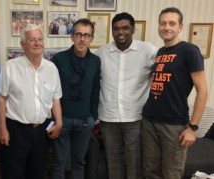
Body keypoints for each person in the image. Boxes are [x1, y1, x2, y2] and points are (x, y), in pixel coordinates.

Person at [142, 7, 208, 178]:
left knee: (171, 173)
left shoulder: (189, 50)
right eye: (163, 23)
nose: (167, 27)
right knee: (150, 171)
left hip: (173, 125)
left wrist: (192, 128)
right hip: (149, 120)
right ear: (158, 27)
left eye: (172, 23)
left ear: (180, 27)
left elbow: (203, 91)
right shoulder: (160, 52)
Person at [95, 12, 157, 179]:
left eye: (125, 28)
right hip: (109, 118)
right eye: (116, 29)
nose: (120, 32)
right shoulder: (102, 52)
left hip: (135, 117)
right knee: (113, 163)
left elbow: (164, 74)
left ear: (133, 29)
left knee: (134, 163)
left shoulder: (148, 50)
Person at [0, 24, 62, 179]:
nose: (37, 43)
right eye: (32, 40)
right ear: (22, 44)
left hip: (42, 132)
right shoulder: (10, 66)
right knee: (13, 173)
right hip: (16, 131)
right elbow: (1, 98)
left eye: (40, 39)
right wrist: (2, 128)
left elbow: (55, 98)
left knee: (37, 173)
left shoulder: (51, 68)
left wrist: (59, 122)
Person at [51, 18, 101, 179]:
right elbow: (52, 91)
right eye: (78, 34)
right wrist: (55, 118)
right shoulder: (59, 59)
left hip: (85, 121)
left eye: (87, 35)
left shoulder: (95, 61)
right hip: (62, 119)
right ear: (72, 36)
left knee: (79, 162)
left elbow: (95, 90)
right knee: (59, 161)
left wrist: (93, 116)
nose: (82, 39)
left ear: (91, 38)